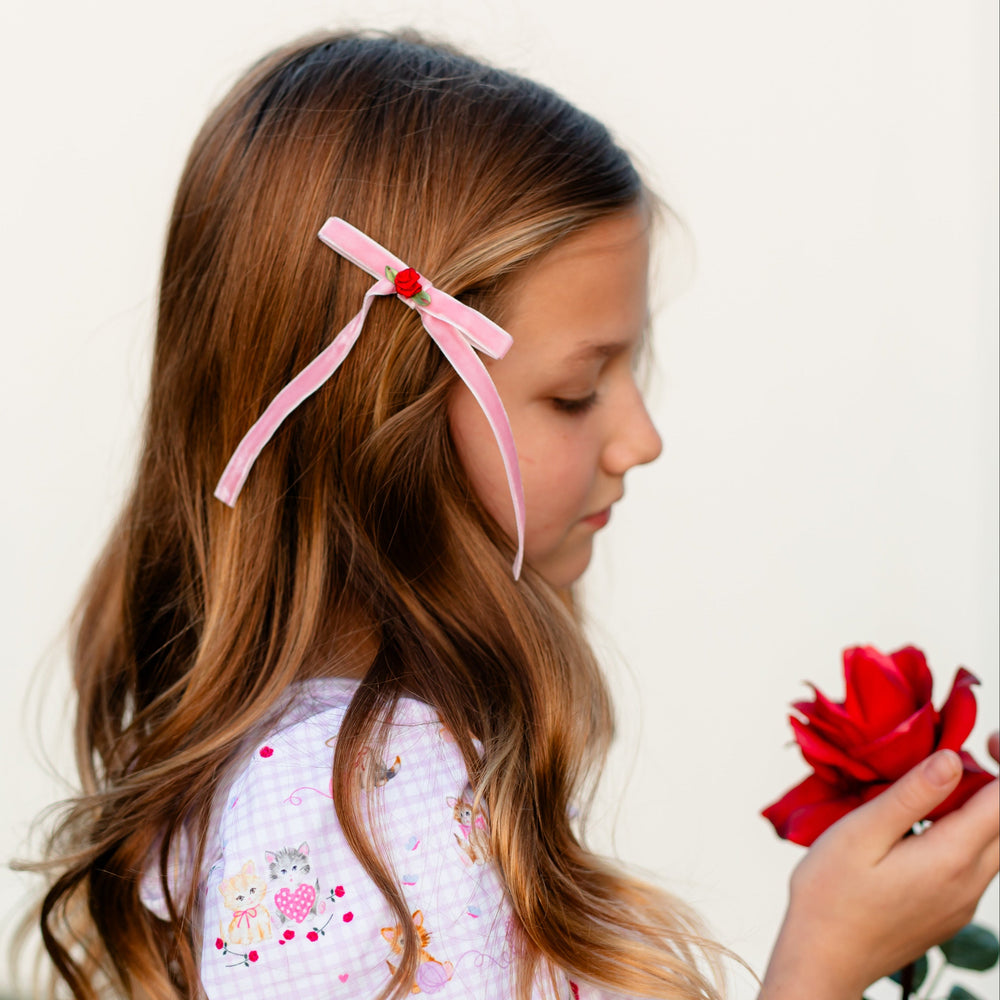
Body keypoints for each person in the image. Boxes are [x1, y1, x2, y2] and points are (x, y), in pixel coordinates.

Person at [26, 30, 998, 1000]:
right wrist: (821, 967)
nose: (641, 438)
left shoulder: (373, 775)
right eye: (576, 393)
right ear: (382, 413)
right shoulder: (348, 816)